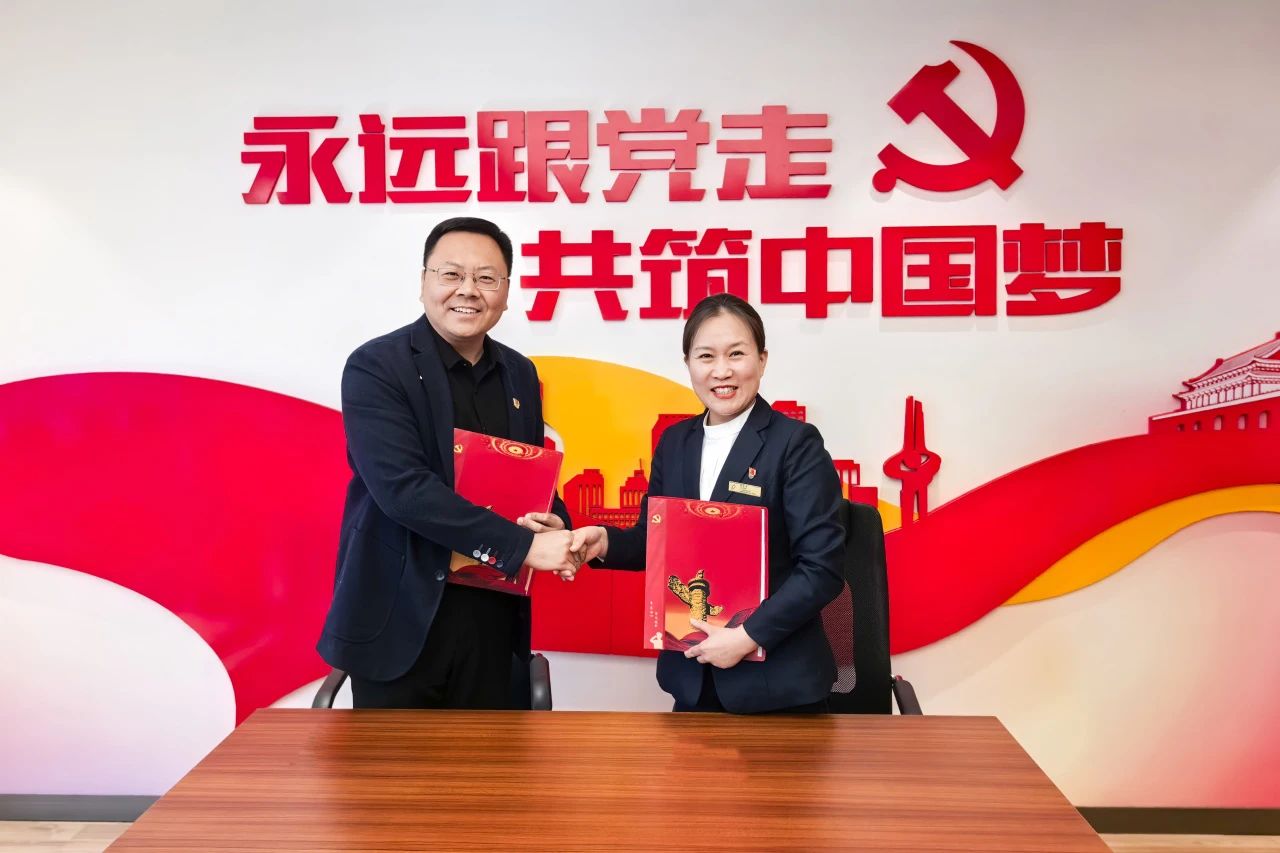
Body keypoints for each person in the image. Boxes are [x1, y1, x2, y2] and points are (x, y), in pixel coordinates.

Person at [317, 217, 578, 710]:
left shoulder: (519, 374)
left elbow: (530, 472)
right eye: (451, 274)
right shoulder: (377, 366)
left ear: (505, 292)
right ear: (424, 283)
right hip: (399, 619)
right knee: (394, 763)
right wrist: (525, 546)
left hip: (492, 622)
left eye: (486, 278)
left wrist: (557, 523)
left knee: (490, 760)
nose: (468, 290)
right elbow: (403, 491)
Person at [569, 294, 845, 713]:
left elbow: (821, 569)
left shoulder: (795, 445)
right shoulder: (675, 442)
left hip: (778, 687)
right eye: (706, 356)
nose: (721, 371)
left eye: (737, 354)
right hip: (693, 677)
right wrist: (604, 542)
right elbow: (656, 541)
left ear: (762, 360)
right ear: (688, 364)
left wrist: (747, 637)